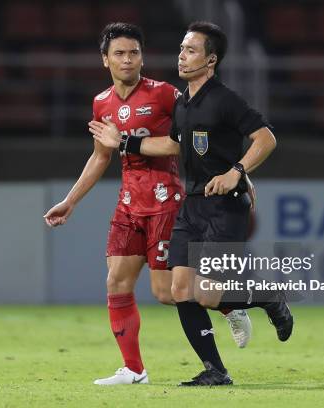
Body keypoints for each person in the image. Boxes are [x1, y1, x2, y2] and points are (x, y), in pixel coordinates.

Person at [44, 22, 252, 386]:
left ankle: (230, 304)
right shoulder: (102, 102)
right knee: (116, 282)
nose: (128, 60)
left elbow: (180, 143)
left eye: (134, 53)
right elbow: (99, 157)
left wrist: (124, 140)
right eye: (120, 54)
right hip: (128, 203)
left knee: (166, 292)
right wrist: (70, 200)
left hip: (165, 200)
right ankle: (134, 370)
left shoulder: (166, 95)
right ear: (105, 60)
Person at [90, 21, 294, 387]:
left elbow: (266, 138)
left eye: (191, 50)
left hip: (224, 205)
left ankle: (266, 297)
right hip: (192, 205)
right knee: (178, 292)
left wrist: (238, 170)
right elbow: (170, 144)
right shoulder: (183, 103)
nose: (182, 56)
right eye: (181, 49)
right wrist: (124, 143)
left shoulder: (224, 99)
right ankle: (215, 371)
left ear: (211, 59)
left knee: (205, 292)